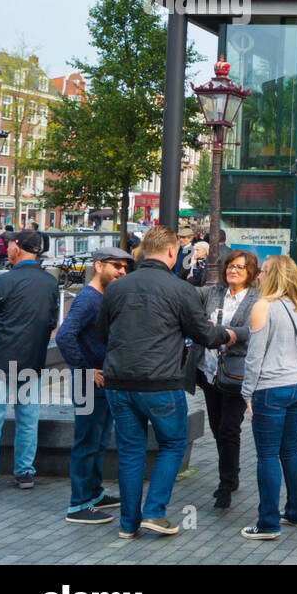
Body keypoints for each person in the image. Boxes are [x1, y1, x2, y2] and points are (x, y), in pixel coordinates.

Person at [95, 225, 235, 538]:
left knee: (130, 452)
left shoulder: (116, 288)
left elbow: (102, 334)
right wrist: (228, 334)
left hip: (118, 381)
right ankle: (155, 512)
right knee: (172, 443)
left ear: (144, 250)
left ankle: (128, 524)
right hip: (160, 382)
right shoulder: (180, 289)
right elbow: (204, 334)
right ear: (173, 252)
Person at [55, 246, 134, 522]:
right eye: (116, 266)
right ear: (99, 266)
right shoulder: (88, 299)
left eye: (125, 268)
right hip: (89, 384)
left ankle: (94, 493)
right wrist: (86, 370)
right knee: (86, 443)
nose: (122, 272)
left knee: (99, 442)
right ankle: (78, 505)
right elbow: (65, 336)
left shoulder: (102, 297)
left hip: (102, 384)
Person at [240, 255, 297, 539]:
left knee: (267, 455)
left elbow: (254, 357)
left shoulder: (263, 306)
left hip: (270, 387)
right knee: (289, 451)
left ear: (271, 275)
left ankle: (268, 523)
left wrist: (246, 394)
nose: (257, 276)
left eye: (262, 272)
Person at [185, 249, 260, 509]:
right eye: (230, 266)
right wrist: (187, 262)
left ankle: (225, 484)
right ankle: (232, 471)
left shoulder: (257, 299)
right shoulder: (213, 293)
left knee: (229, 428)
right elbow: (184, 291)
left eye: (240, 267)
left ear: (250, 273)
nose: (234, 270)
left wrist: (226, 333)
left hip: (237, 374)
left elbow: (252, 330)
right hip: (209, 372)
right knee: (218, 429)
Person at [0, 229, 60, 491]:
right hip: (32, 361)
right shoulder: (50, 283)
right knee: (28, 417)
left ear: (17, 248)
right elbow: (52, 322)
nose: (6, 249)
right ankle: (24, 472)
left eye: (9, 245)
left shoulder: (1, 282)